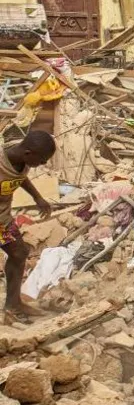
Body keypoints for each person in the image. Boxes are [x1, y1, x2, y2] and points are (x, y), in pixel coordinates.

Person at [1, 131, 55, 322]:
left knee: (19, 253)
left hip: (3, 220)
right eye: (41, 160)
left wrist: (37, 197)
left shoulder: (21, 160)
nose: (43, 165)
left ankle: (13, 304)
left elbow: (19, 177)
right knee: (18, 253)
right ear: (28, 153)